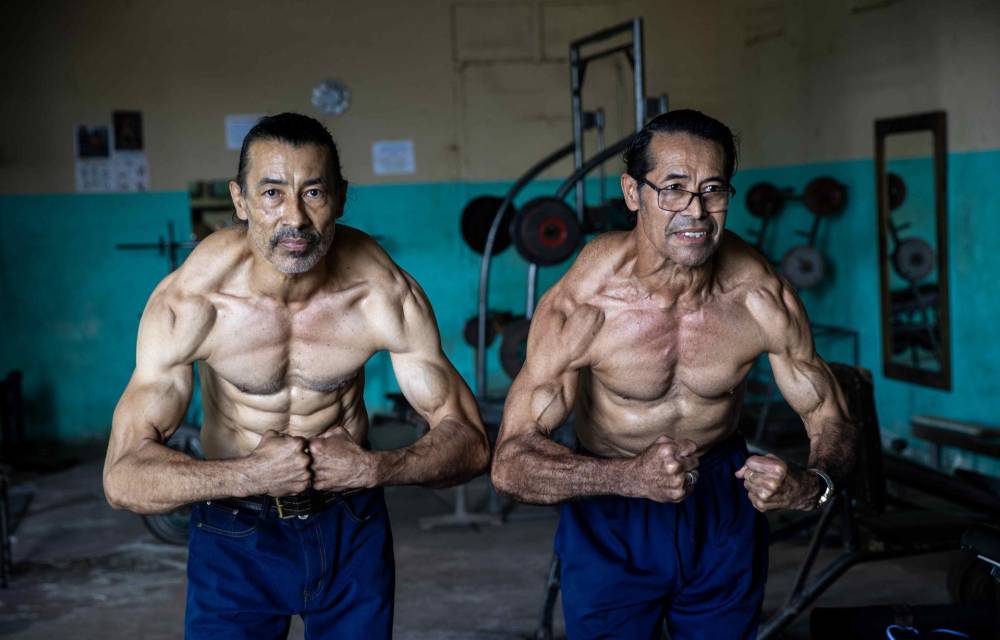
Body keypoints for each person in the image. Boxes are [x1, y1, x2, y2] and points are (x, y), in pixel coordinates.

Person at [103, 113, 489, 639]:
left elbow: (470, 443)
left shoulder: (382, 295)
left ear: (341, 197)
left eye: (313, 192)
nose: (295, 219)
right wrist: (247, 476)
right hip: (233, 528)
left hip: (350, 523)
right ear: (239, 200)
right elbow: (122, 477)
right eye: (271, 193)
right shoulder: (192, 303)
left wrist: (375, 470)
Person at [491, 109, 856, 640]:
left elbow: (830, 415)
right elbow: (509, 465)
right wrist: (626, 479)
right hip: (611, 507)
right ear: (633, 193)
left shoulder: (759, 297)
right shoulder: (586, 304)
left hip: (722, 499)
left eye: (712, 190)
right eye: (674, 189)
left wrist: (812, 485)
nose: (696, 212)